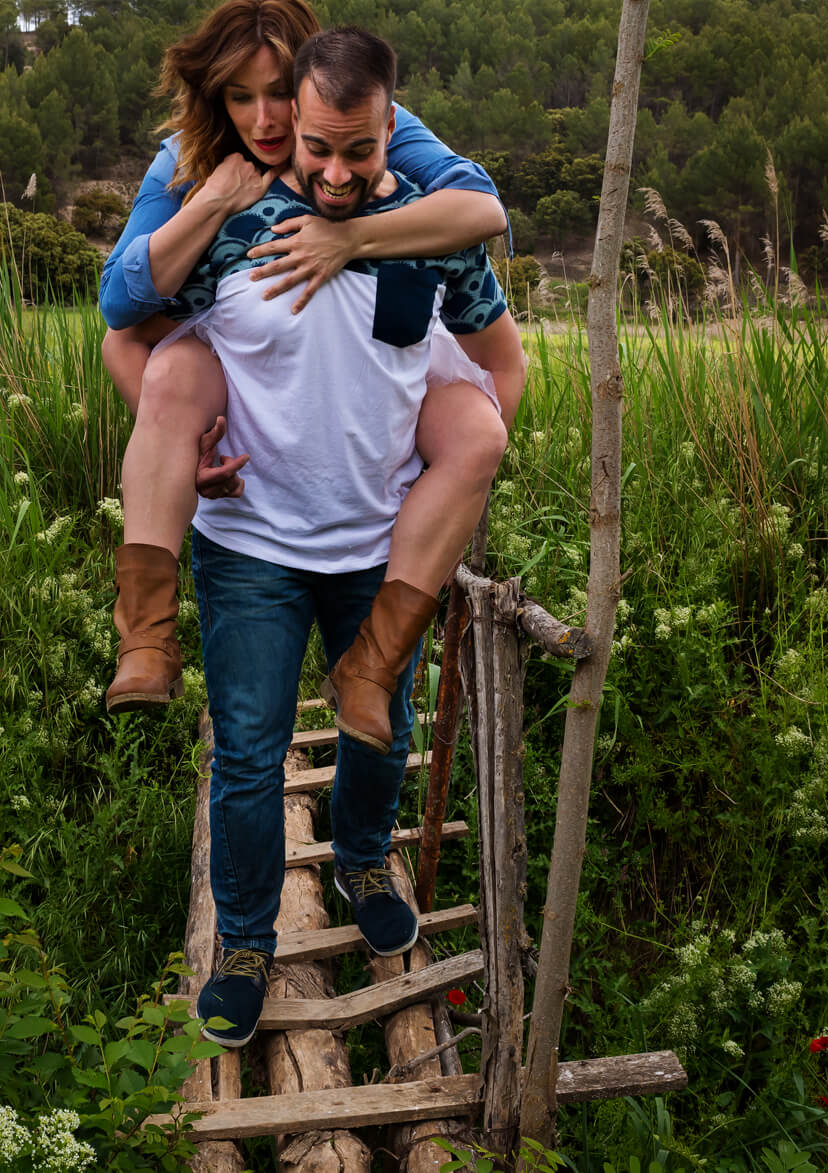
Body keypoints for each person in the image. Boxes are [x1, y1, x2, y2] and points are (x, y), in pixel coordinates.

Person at [156, 26, 529, 1047]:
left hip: (376, 545)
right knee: (247, 751)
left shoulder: (431, 231)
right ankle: (242, 938)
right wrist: (183, 441)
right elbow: (132, 325)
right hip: (249, 542)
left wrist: (440, 461)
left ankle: (363, 856)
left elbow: (502, 367)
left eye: (355, 151)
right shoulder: (237, 221)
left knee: (380, 724)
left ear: (386, 129)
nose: (330, 171)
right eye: (315, 147)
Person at [98, 0, 519, 758]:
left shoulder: (381, 135)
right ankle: (147, 637)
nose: (262, 119)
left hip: (369, 504)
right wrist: (218, 199)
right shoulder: (192, 171)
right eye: (239, 95)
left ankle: (363, 852)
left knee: (382, 735)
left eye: (277, 94)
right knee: (173, 370)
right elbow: (121, 313)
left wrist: (349, 238)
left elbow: (482, 213)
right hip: (249, 479)